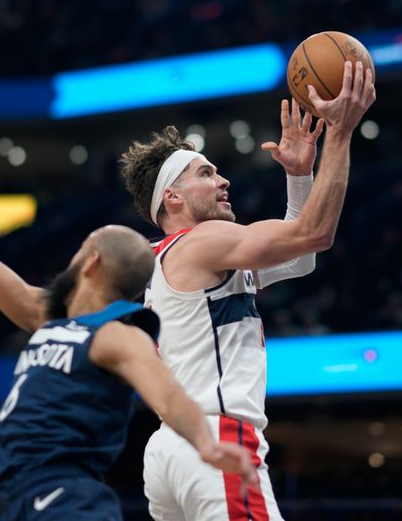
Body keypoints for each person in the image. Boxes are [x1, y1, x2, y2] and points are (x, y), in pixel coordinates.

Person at [0, 143, 259, 520]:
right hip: (12, 497)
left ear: (90, 263)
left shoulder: (118, 335)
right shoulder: (48, 315)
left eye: (79, 251)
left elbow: (170, 395)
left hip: (65, 495)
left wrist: (207, 445)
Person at [119, 61, 375, 520]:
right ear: (172, 198)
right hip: (215, 439)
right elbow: (314, 234)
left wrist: (299, 178)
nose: (223, 180)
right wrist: (340, 131)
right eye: (205, 172)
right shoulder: (204, 242)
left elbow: (299, 260)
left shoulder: (171, 256)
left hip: (168, 451)